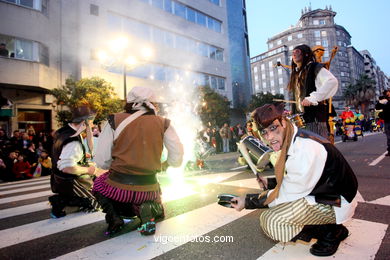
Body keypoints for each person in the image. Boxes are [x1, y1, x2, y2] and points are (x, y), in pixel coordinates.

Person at [231, 103, 358, 257]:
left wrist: (248, 201)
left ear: (283, 123)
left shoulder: (304, 148)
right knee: (276, 208)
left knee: (272, 221)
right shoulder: (294, 137)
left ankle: (330, 232)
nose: (269, 137)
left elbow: (288, 192)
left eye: (273, 128)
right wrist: (271, 183)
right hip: (326, 192)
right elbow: (296, 177)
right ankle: (332, 229)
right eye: (264, 132)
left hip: (336, 201)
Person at [93, 86, 183, 236]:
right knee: (154, 201)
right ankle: (148, 209)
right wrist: (167, 164)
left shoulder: (114, 120)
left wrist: (115, 166)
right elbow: (177, 157)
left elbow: (102, 160)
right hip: (148, 188)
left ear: (128, 101)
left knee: (98, 184)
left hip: (118, 187)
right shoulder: (164, 123)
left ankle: (114, 217)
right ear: (153, 102)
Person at [49, 104, 104, 218]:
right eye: (92, 121)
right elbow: (67, 167)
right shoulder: (73, 141)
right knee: (99, 204)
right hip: (70, 182)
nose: (93, 125)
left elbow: (61, 153)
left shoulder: (63, 131)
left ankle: (68, 198)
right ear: (85, 122)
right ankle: (62, 201)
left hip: (58, 179)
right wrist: (89, 170)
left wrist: (83, 155)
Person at [287, 44, 338, 140]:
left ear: (306, 54)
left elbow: (332, 81)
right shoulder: (297, 74)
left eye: (297, 52)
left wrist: (313, 98)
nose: (294, 55)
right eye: (292, 53)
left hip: (315, 118)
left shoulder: (314, 67)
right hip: (302, 120)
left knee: (319, 148)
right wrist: (294, 110)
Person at [376, 89, 390, 156]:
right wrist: (380, 101)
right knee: (388, 136)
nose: (388, 94)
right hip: (387, 120)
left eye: (389, 93)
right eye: (387, 93)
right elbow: (377, 107)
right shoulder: (384, 100)